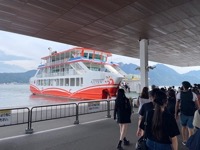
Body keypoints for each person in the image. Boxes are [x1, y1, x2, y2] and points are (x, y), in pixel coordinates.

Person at [175, 81, 199, 145]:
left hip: (183, 113)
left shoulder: (179, 94)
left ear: (183, 87)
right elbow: (197, 105)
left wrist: (176, 114)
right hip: (191, 114)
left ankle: (184, 140)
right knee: (190, 128)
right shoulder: (193, 94)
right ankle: (190, 142)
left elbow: (177, 105)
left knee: (183, 127)